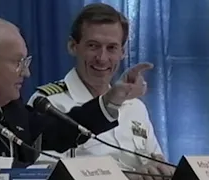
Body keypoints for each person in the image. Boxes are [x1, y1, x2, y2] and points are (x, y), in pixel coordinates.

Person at [0, 17, 150, 174]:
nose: (27, 71)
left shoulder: (9, 107)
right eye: (19, 62)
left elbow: (58, 129)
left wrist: (111, 100)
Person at [28, 3, 174, 180]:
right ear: (73, 46)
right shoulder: (47, 103)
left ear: (123, 52)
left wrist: (158, 168)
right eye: (93, 46)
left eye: (111, 48)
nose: (102, 58)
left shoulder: (135, 107)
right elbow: (44, 174)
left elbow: (156, 161)